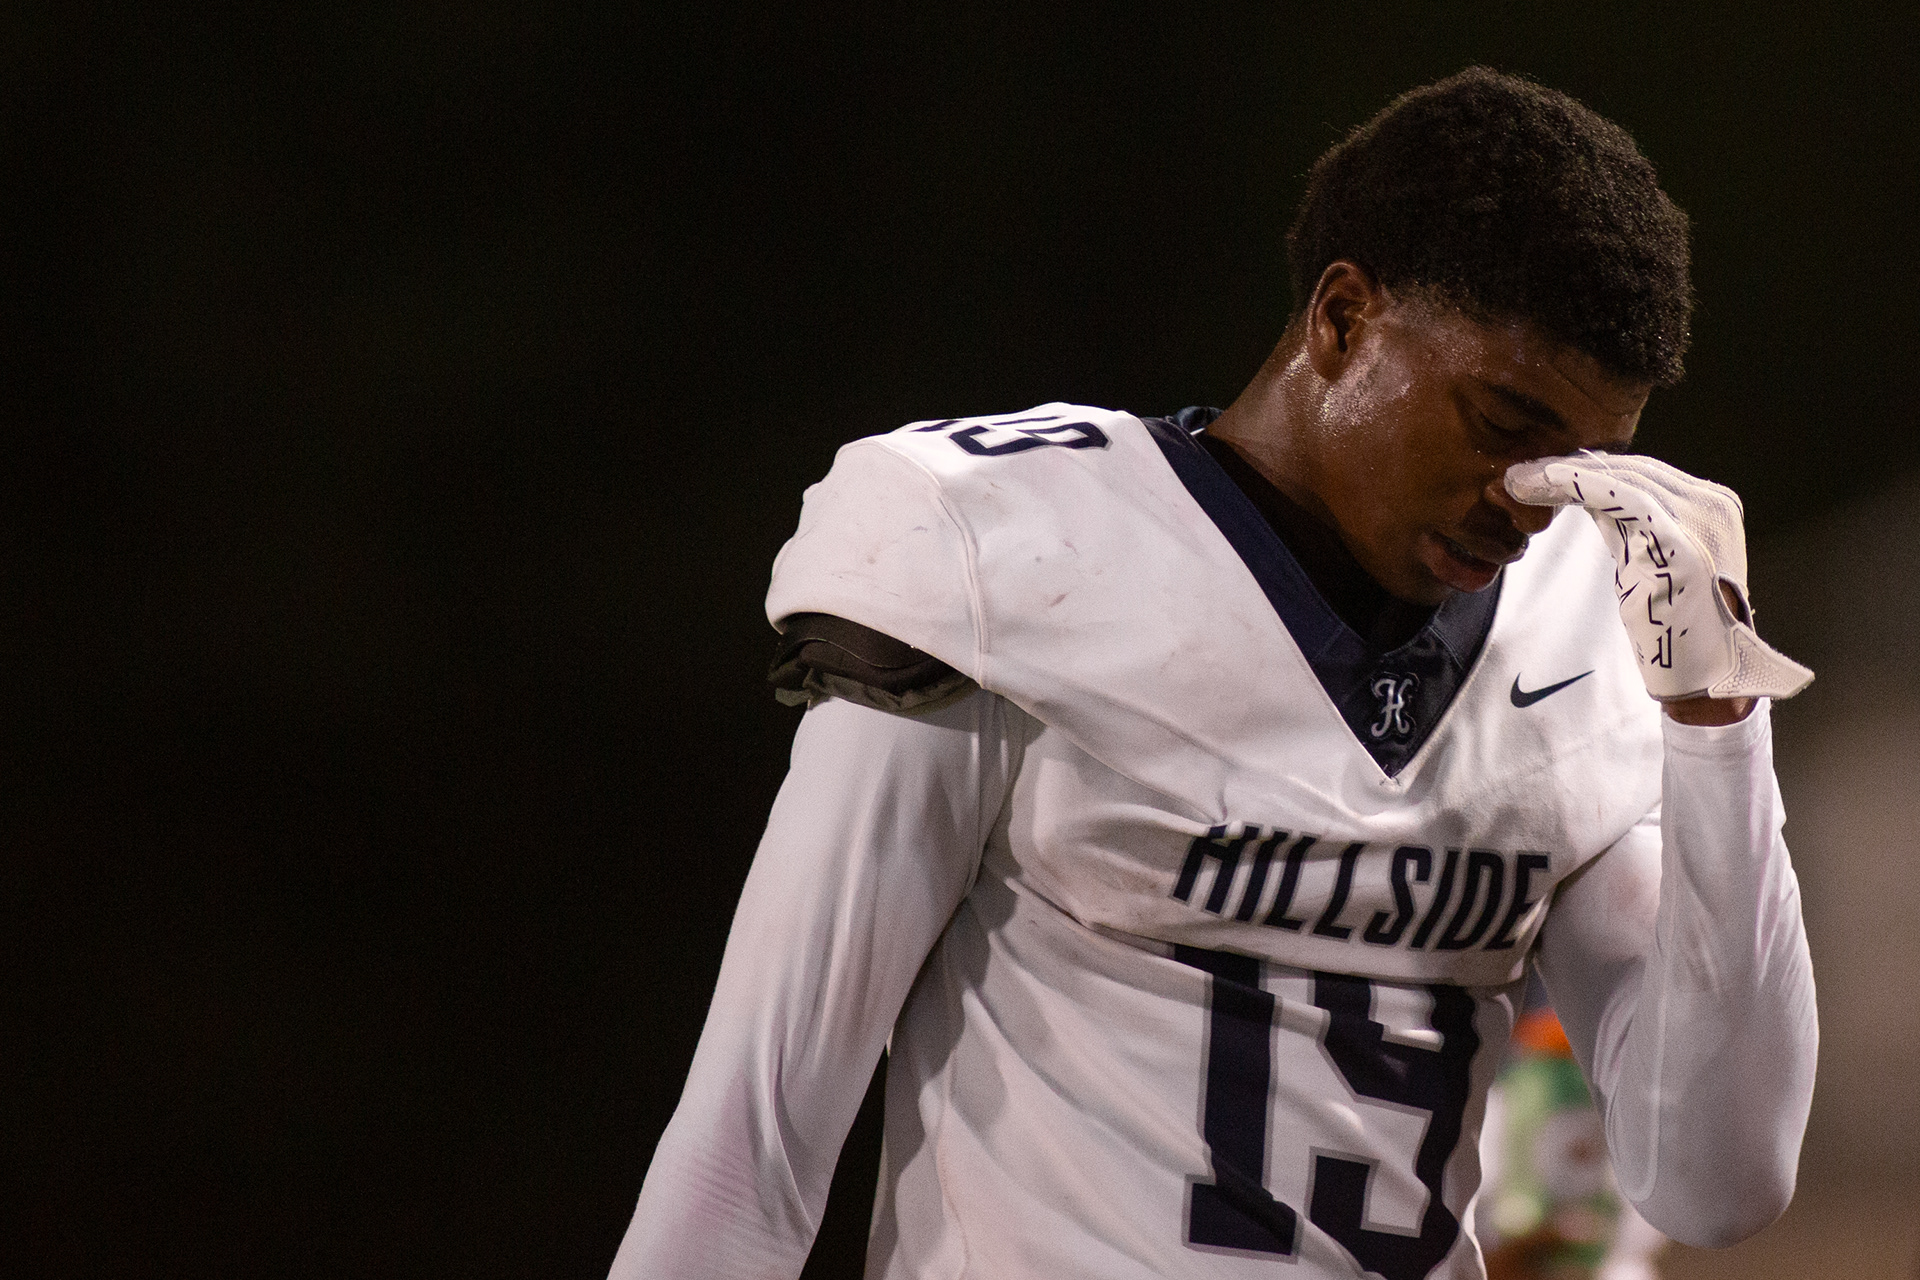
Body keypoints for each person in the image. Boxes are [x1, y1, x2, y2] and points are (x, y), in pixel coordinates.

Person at [611, 68, 1818, 1280]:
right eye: (1503, 425)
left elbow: (1716, 1179)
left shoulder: (1585, 645)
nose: (1530, 505)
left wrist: (1719, 728)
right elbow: (750, 1146)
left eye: (1584, 468)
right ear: (1343, 318)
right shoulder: (1002, 554)